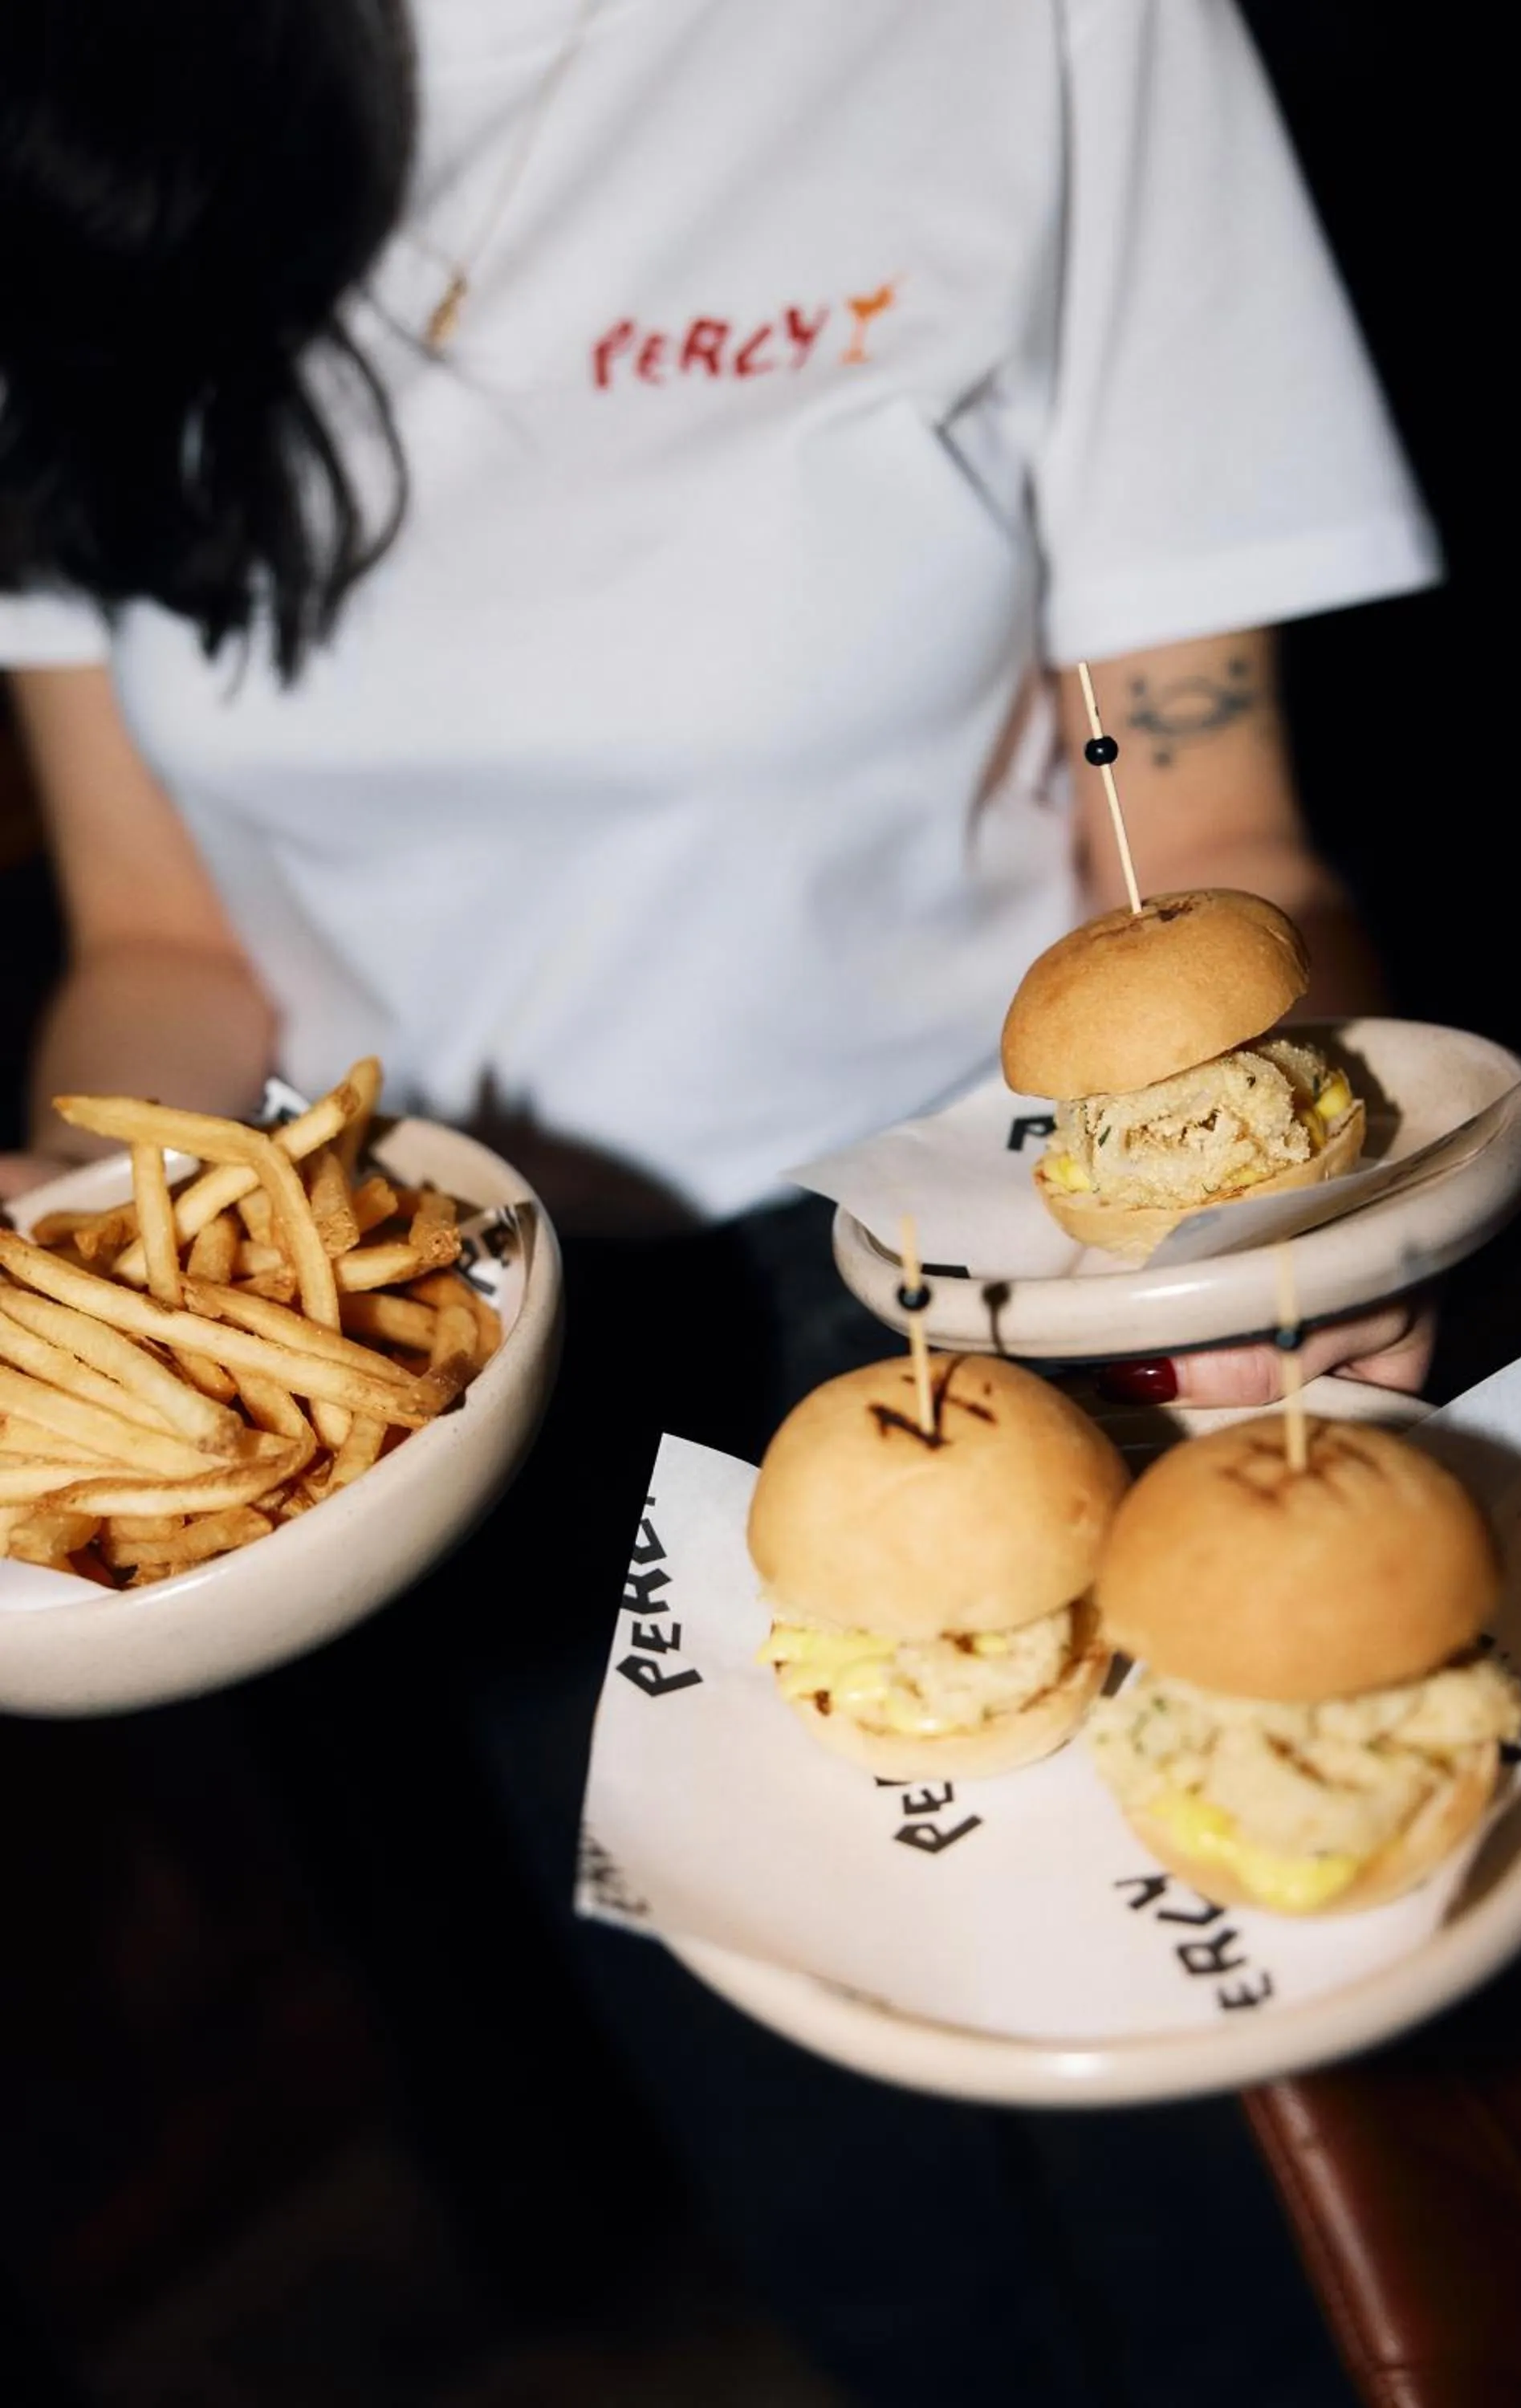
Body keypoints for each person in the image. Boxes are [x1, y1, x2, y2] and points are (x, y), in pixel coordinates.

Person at [2, 2, 1435, 2398]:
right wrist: (74, 1252)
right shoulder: (65, 111)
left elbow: (1165, 801)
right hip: (432, 1378)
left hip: (1002, 1263)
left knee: (1222, 2207)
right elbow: (158, 943)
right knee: (857, 2234)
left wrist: (1277, 1231)